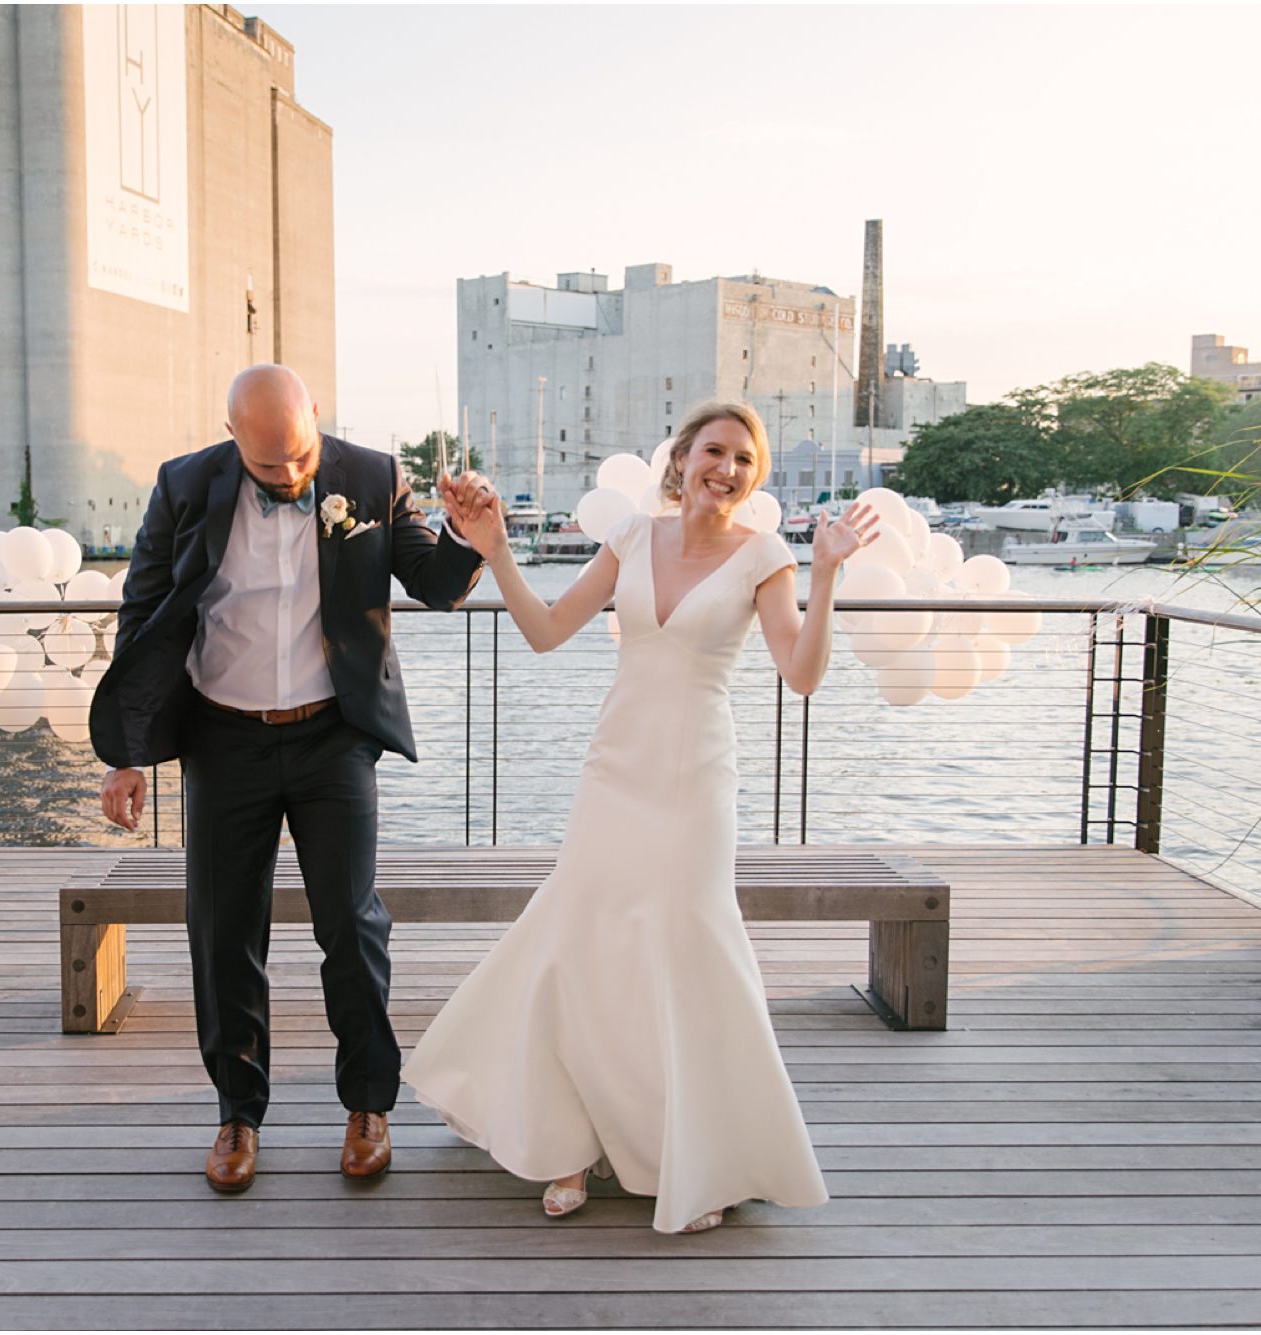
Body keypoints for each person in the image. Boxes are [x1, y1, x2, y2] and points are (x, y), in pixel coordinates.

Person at [402, 399, 880, 1234]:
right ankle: (566, 1141)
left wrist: (829, 572)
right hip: (614, 769)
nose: (725, 469)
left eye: (742, 459)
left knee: (688, 952)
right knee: (580, 942)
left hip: (695, 780)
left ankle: (696, 1152)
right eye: (713, 451)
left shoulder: (766, 556)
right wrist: (500, 554)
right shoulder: (632, 536)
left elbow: (800, 674)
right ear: (683, 456)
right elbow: (549, 631)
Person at [88, 364, 493, 1193]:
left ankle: (368, 1104)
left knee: (350, 923)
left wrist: (467, 535)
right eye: (271, 466)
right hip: (222, 737)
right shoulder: (184, 484)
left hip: (331, 735)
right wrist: (126, 752)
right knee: (222, 928)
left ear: (317, 422)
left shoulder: (373, 477)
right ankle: (238, 1114)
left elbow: (437, 584)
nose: (293, 475)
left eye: (302, 455)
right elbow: (146, 610)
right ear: (233, 435)